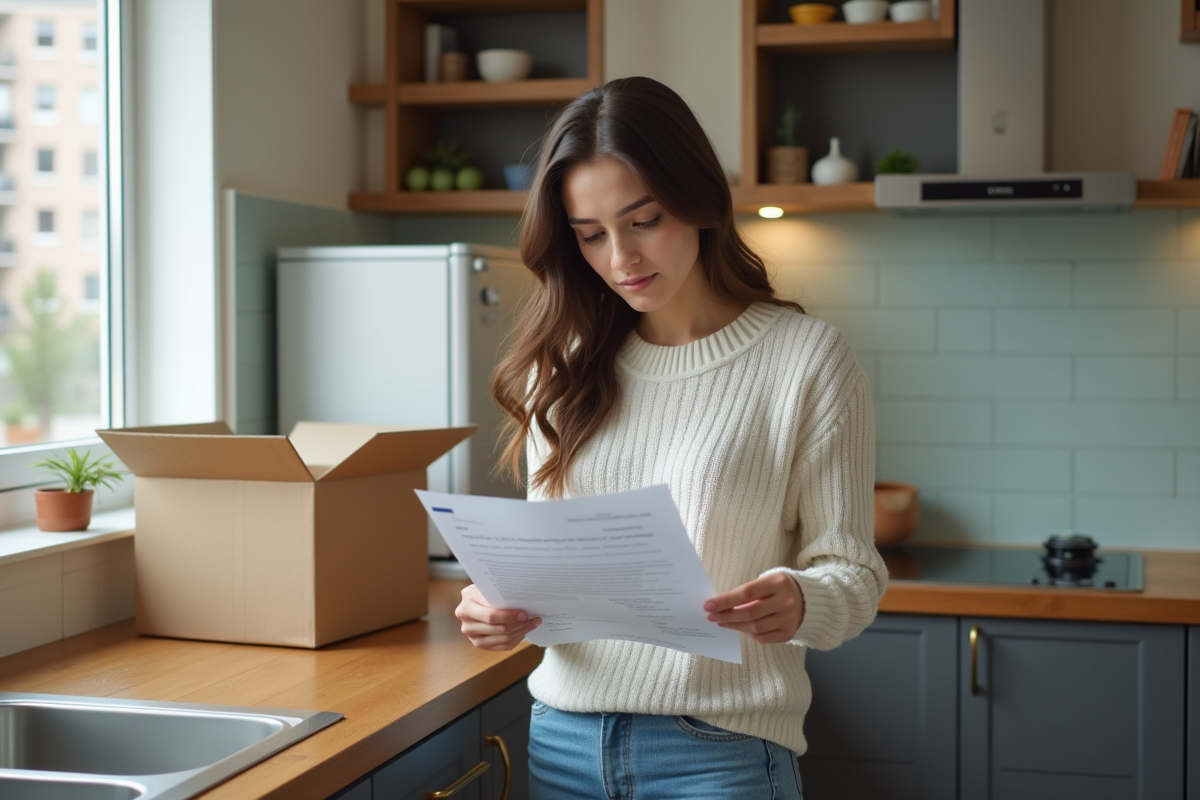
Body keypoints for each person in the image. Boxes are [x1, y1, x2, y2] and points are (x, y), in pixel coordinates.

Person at [455, 76, 887, 799]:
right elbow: (544, 576)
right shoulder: (560, 367)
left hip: (720, 754)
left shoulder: (805, 359)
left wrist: (802, 599)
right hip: (562, 742)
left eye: (643, 220)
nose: (620, 257)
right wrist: (494, 607)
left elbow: (856, 574)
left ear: (699, 200)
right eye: (590, 235)